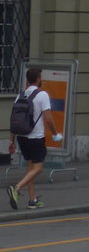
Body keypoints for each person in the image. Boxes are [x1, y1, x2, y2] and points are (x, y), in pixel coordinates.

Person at [7, 67, 62, 210]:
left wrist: (11, 141)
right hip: (35, 137)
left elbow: (14, 120)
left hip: (21, 137)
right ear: (38, 79)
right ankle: (16, 188)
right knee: (38, 168)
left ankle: (32, 200)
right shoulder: (42, 95)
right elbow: (48, 118)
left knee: (30, 167)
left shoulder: (20, 95)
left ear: (27, 80)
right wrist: (55, 134)